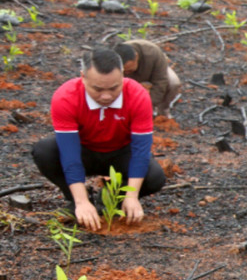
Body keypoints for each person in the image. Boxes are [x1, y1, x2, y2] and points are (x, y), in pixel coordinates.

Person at [31, 48, 165, 230]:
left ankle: (110, 198)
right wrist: (81, 202)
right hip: (84, 151)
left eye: (114, 88)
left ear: (123, 76)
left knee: (155, 177)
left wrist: (132, 196)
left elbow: (140, 151)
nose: (106, 96)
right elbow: (69, 154)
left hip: (121, 153)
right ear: (83, 77)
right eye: (98, 89)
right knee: (44, 151)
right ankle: (78, 198)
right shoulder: (66, 97)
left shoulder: (138, 95)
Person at [113, 40, 182, 118]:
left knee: (173, 83)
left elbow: (160, 82)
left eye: (129, 70)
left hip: (153, 74)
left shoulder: (152, 52)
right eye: (124, 71)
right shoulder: (113, 59)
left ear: (136, 57)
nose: (127, 72)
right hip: (127, 84)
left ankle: (163, 110)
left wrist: (147, 105)